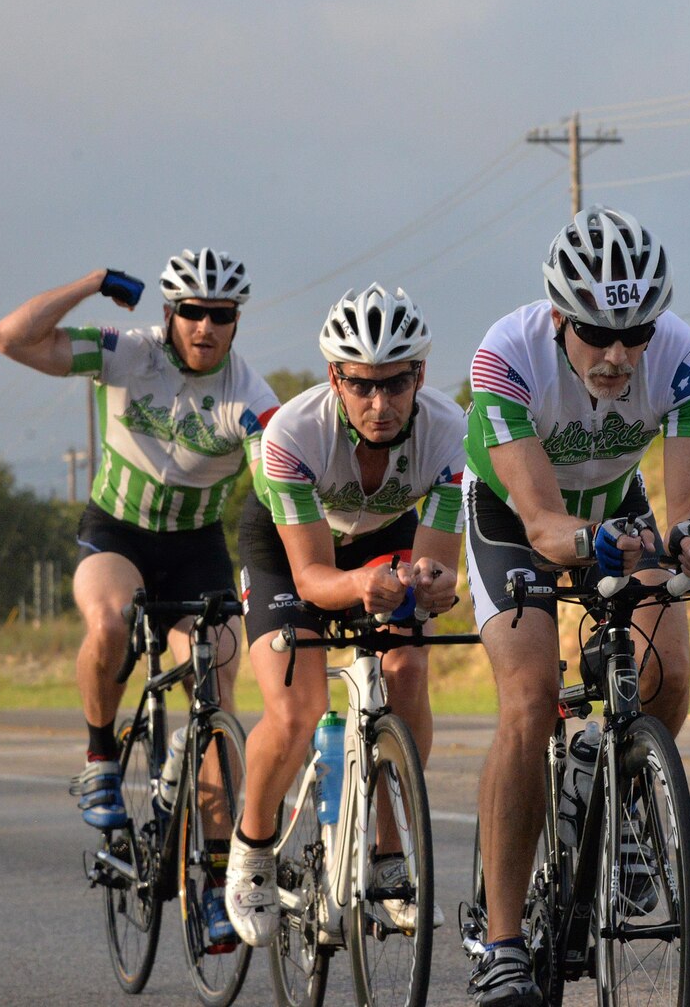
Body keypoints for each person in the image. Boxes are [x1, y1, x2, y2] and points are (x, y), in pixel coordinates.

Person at [463, 206, 690, 1007]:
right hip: (516, 518)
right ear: (558, 317)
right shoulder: (505, 360)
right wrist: (598, 545)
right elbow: (543, 525)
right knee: (532, 699)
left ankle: (622, 790)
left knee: (668, 677)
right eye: (596, 334)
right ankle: (502, 940)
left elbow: (689, 504)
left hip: (617, 506)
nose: (617, 355)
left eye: (634, 334)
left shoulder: (683, 360)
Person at [0, 249, 278, 946]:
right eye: (192, 312)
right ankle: (98, 760)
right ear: (170, 314)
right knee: (114, 620)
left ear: (237, 323)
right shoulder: (127, 353)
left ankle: (213, 883)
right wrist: (89, 284)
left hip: (195, 547)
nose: (205, 327)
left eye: (222, 315)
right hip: (115, 533)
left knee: (215, 689)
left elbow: (279, 486)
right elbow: (10, 338)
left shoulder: (250, 395)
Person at [220, 282, 466, 947]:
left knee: (407, 666)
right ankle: (252, 848)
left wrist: (431, 585)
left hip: (385, 539)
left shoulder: (449, 433)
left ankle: (390, 852)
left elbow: (440, 566)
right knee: (296, 708)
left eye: (395, 384)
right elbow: (310, 577)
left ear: (421, 375)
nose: (379, 404)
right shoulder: (292, 434)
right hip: (292, 547)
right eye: (361, 386)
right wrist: (363, 585)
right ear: (335, 377)